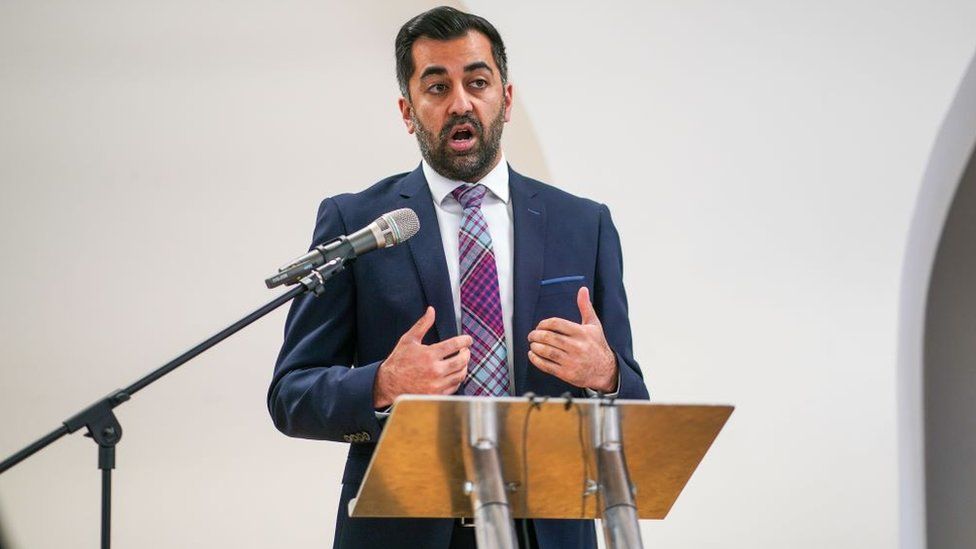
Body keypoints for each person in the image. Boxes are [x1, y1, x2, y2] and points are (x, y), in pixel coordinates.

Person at [268, 6, 649, 548]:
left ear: (506, 99)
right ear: (408, 110)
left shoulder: (583, 224)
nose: (461, 103)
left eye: (477, 82)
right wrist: (382, 383)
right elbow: (291, 394)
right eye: (437, 87)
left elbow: (633, 400)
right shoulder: (358, 224)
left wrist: (606, 373)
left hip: (549, 530)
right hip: (402, 531)